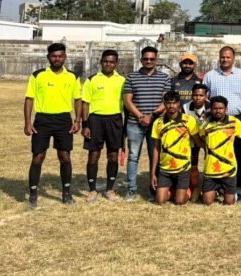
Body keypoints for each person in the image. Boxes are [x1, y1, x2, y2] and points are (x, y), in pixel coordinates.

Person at [24, 43, 82, 208]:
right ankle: (33, 194)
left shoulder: (73, 76)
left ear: (65, 57)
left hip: (63, 120)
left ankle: (67, 193)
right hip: (42, 120)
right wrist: (28, 122)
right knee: (38, 157)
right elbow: (29, 99)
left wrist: (77, 120)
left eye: (60, 56)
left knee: (65, 157)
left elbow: (78, 100)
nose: (57, 59)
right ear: (48, 57)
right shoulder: (38, 75)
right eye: (54, 56)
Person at [203, 46, 241, 195]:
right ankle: (216, 182)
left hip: (237, 118)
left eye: (228, 57)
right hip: (216, 119)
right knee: (215, 150)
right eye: (222, 57)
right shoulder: (210, 75)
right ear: (219, 58)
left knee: (238, 151)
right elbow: (203, 96)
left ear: (233, 58)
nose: (225, 59)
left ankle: (236, 183)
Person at [124, 46, 171, 202]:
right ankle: (131, 189)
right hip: (135, 123)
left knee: (155, 157)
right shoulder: (131, 77)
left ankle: (154, 189)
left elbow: (166, 101)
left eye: (152, 59)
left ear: (156, 60)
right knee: (133, 157)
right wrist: (140, 116)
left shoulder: (164, 78)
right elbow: (127, 101)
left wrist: (152, 116)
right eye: (146, 59)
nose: (148, 61)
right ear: (141, 59)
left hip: (156, 124)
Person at [81, 49, 126, 202]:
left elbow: (127, 102)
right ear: (101, 62)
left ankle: (110, 189)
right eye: (106, 61)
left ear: (116, 63)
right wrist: (85, 125)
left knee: (113, 156)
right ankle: (92, 190)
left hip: (115, 120)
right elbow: (85, 103)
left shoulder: (122, 80)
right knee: (94, 155)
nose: (108, 64)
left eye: (112, 62)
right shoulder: (92, 80)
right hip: (95, 121)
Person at [150, 91, 199, 205]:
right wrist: (153, 173)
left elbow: (198, 141)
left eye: (174, 103)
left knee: (180, 201)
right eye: (168, 103)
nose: (171, 105)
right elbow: (156, 149)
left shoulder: (188, 120)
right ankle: (174, 191)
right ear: (164, 104)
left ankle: (191, 189)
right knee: (160, 201)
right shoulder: (158, 123)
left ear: (179, 104)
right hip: (165, 169)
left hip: (183, 168)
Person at [197, 96, 241, 206]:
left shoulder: (234, 122)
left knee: (229, 202)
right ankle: (216, 190)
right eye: (215, 108)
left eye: (221, 108)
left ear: (226, 109)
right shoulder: (205, 125)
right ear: (211, 109)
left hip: (228, 170)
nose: (218, 111)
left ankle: (223, 190)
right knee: (207, 202)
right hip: (210, 170)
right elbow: (200, 138)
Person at [184, 83, 210, 200]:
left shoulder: (212, 106)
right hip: (192, 138)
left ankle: (210, 187)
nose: (198, 98)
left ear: (206, 96)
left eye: (201, 95)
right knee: (192, 162)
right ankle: (194, 187)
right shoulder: (185, 107)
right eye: (195, 95)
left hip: (208, 138)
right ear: (191, 95)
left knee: (210, 162)